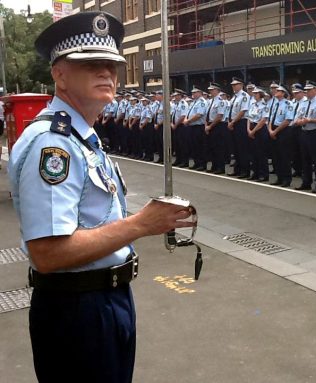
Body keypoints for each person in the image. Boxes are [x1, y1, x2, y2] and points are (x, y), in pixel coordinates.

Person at [7, 11, 194, 383]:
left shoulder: (82, 138)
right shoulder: (53, 144)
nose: (106, 72)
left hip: (105, 301)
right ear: (59, 74)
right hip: (78, 310)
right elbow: (48, 253)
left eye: (111, 64)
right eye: (90, 63)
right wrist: (141, 224)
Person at [295, 80, 316, 193]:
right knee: (305, 159)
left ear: (315, 90)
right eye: (306, 90)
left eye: (309, 90)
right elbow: (297, 118)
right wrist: (299, 121)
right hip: (304, 132)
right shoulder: (303, 103)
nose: (307, 92)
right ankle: (306, 182)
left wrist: (310, 120)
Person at [267, 84, 294, 187]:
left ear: (283, 93)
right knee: (276, 156)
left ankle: (286, 179)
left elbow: (287, 120)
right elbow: (270, 118)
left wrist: (275, 131)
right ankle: (279, 177)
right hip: (273, 130)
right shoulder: (275, 104)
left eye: (278, 90)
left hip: (283, 131)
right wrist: (270, 130)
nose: (275, 92)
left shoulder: (288, 104)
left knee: (284, 156)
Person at [227, 77, 251, 178]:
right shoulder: (234, 97)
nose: (233, 86)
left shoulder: (244, 96)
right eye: (232, 85)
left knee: (242, 148)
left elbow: (243, 111)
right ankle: (237, 169)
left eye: (235, 84)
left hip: (240, 122)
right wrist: (230, 122)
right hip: (233, 123)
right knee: (236, 148)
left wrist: (232, 122)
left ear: (241, 85)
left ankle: (245, 171)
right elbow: (230, 111)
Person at [246, 86, 269, 181]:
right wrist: (248, 130)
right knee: (253, 152)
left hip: (260, 129)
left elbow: (263, 120)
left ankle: (263, 174)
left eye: (256, 93)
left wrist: (253, 131)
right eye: (254, 93)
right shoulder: (253, 105)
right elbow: (249, 118)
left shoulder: (264, 105)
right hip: (251, 128)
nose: (254, 95)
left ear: (261, 94)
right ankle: (255, 172)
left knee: (261, 153)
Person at [205, 82, 227, 174]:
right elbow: (207, 114)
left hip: (217, 125)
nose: (210, 91)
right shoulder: (210, 101)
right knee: (212, 147)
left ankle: (220, 167)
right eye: (210, 90)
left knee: (219, 148)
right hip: (210, 125)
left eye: (212, 90)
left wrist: (210, 126)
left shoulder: (220, 101)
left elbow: (219, 116)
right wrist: (206, 125)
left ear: (217, 90)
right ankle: (214, 165)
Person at [183, 86, 207, 170]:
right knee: (193, 145)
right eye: (192, 92)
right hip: (192, 126)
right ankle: (196, 162)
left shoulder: (202, 102)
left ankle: (202, 164)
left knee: (200, 146)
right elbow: (188, 113)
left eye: (195, 92)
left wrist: (188, 121)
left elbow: (199, 115)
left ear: (200, 93)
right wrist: (186, 119)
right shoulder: (193, 102)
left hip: (199, 126)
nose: (193, 94)